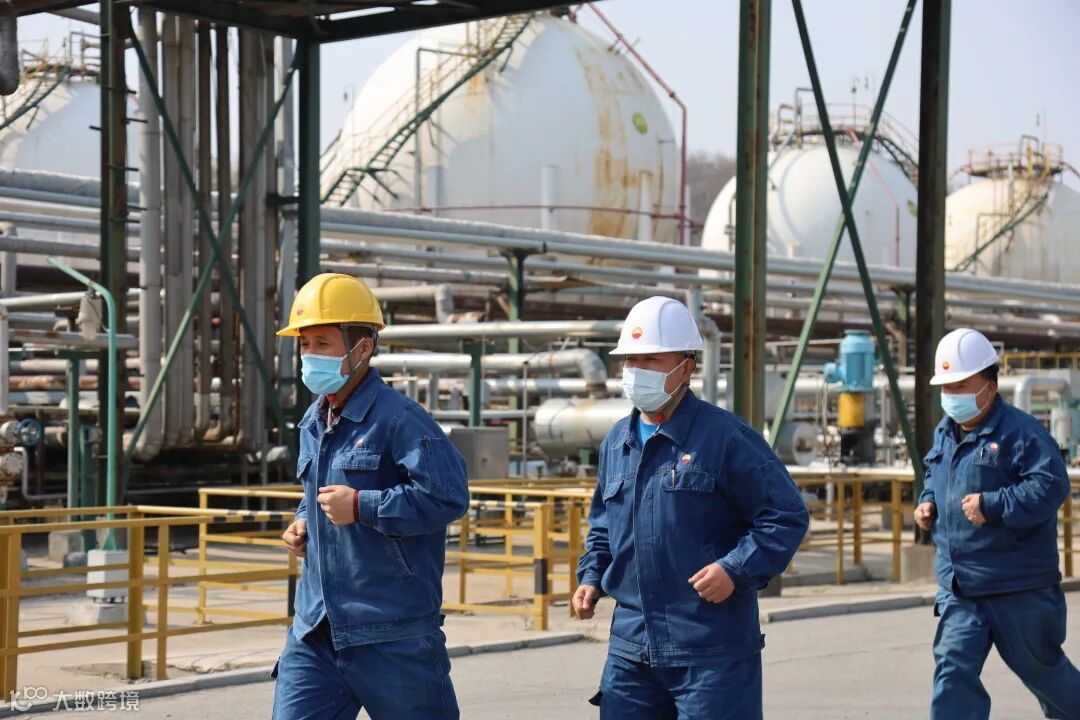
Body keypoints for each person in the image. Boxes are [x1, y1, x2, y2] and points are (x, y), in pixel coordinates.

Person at [573, 296, 809, 719]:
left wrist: (734, 569)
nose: (636, 370)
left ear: (686, 368)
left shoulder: (726, 437)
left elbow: (785, 515)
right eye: (630, 360)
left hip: (711, 652)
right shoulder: (617, 442)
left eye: (651, 359)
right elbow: (604, 527)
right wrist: (591, 577)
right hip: (631, 650)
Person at [272, 273, 469, 720]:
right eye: (304, 344)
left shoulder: (401, 420)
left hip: (391, 632)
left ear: (362, 349)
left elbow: (447, 497)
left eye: (323, 343)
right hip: (316, 628)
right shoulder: (314, 420)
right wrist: (304, 520)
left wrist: (362, 506)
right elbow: (316, 492)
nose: (310, 355)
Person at [914, 327, 1080, 720]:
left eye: (960, 386)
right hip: (960, 586)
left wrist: (994, 505)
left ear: (989, 387)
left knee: (1044, 674)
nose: (951, 395)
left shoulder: (1023, 434)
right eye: (946, 387)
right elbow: (936, 476)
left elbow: (1051, 486)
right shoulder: (944, 433)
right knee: (953, 673)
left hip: (1017, 586)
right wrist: (927, 502)